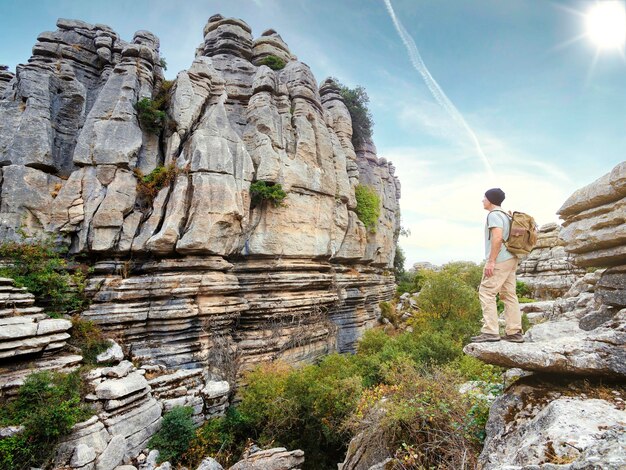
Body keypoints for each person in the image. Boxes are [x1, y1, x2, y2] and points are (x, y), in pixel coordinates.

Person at [470, 188, 524, 343]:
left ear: (490, 200)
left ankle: (490, 331)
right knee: (509, 295)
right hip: (512, 258)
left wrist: (491, 261)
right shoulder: (507, 215)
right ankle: (514, 332)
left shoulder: (493, 215)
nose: (482, 200)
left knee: (486, 291)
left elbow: (497, 237)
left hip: (500, 259)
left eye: (484, 197)